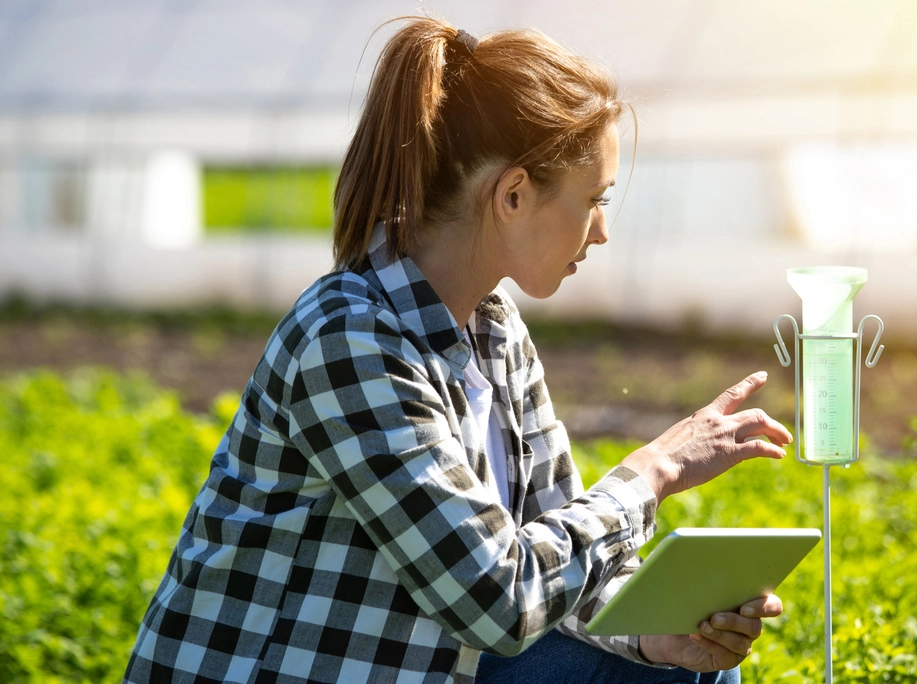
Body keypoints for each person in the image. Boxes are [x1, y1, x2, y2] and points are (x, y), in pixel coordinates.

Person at [124, 16, 792, 684]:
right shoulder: (349, 341)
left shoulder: (495, 331)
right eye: (593, 200)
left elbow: (556, 560)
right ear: (513, 195)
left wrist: (652, 636)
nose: (602, 230)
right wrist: (653, 472)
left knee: (692, 670)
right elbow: (496, 604)